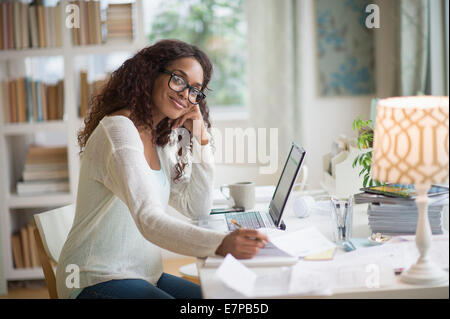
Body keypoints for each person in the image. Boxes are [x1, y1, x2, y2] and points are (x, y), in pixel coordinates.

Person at [55, 39, 268, 299]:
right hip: (95, 279)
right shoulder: (119, 132)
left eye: (194, 90)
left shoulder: (158, 139)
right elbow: (149, 220)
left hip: (144, 275)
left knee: (222, 298)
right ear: (151, 73)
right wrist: (220, 244)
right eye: (179, 79)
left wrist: (201, 140)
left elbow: (196, 207)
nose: (184, 94)